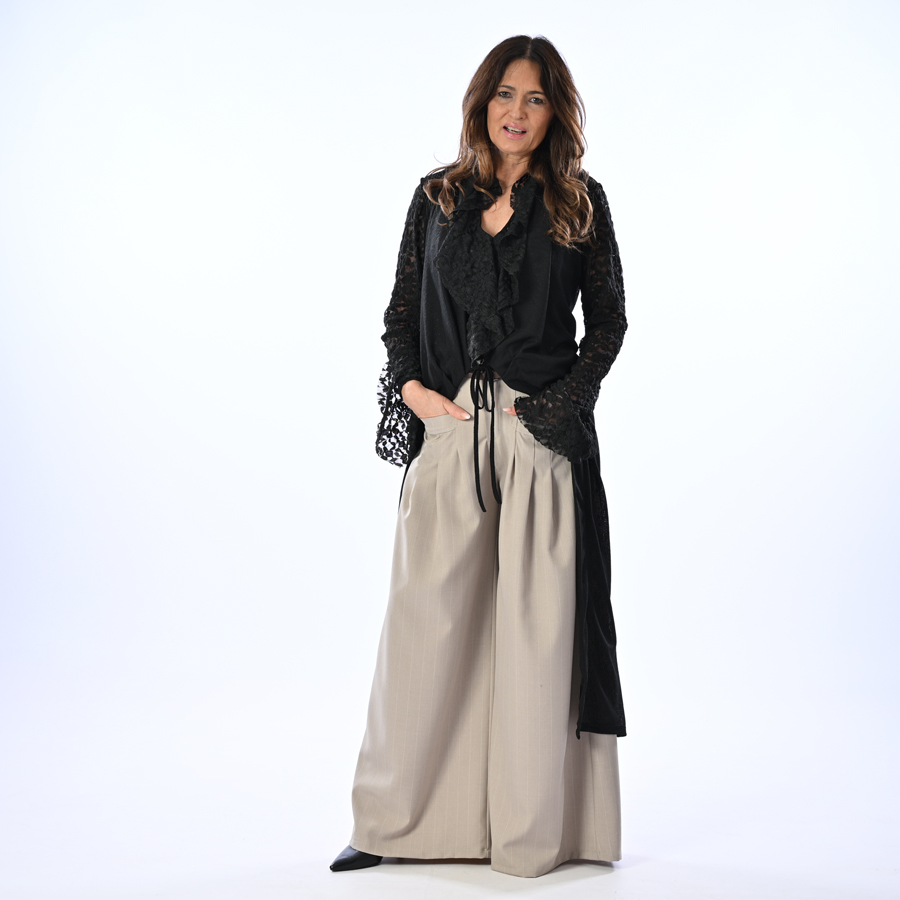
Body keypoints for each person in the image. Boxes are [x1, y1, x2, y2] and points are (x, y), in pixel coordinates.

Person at [330, 34, 628, 879]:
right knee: (424, 629)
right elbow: (399, 314)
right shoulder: (437, 198)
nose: (516, 112)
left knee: (536, 641)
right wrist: (417, 396)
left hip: (540, 442)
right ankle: (391, 821)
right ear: (481, 101)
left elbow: (609, 321)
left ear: (555, 111)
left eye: (535, 98)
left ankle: (531, 832)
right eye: (505, 94)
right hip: (451, 435)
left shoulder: (579, 203)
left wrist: (556, 407)